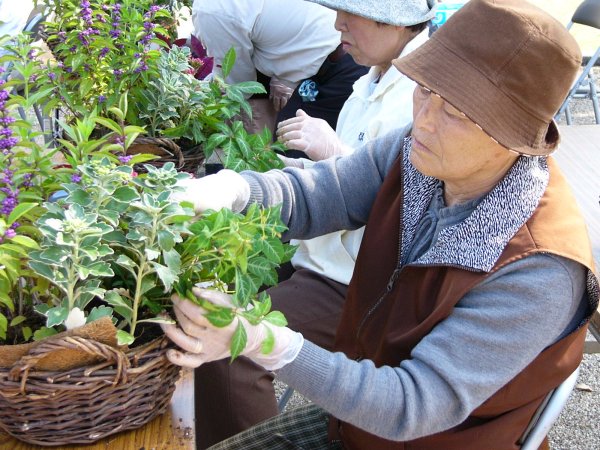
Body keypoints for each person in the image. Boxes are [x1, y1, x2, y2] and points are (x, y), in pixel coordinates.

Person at [167, 0, 599, 449]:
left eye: (456, 112)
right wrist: (233, 190)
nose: (425, 122)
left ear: (514, 136)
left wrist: (264, 341)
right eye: (426, 90)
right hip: (358, 425)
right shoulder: (420, 153)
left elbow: (412, 405)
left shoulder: (539, 269)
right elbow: (323, 191)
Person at [191, 1, 435, 447]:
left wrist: (333, 153)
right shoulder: (370, 78)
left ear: (394, 20)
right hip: (318, 253)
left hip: (360, 278)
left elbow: (411, 205)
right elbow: (337, 187)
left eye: (351, 13)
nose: (338, 23)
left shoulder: (422, 95)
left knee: (229, 348)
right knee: (200, 277)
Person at [191, 0, 367, 136]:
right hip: (343, 57)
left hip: (336, 69)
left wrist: (191, 94)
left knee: (294, 159)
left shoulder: (213, 10)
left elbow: (238, 86)